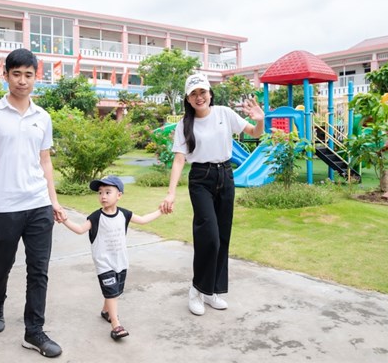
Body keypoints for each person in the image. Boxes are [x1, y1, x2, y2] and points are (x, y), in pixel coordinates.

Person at [0, 48, 66, 358]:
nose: (22, 80)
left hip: (38, 204)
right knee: (2, 265)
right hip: (5, 206)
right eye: (16, 74)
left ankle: (34, 331)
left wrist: (54, 201)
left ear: (36, 77)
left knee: (39, 270)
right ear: (5, 74)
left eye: (28, 75)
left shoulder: (43, 117)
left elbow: (45, 161)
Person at [160, 73, 264, 316]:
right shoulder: (184, 125)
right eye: (194, 94)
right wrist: (171, 193)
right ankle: (196, 290)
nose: (199, 97)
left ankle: (211, 291)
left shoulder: (224, 114)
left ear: (210, 93)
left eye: (202, 92)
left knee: (223, 237)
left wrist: (260, 121)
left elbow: (254, 132)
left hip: (225, 176)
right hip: (201, 179)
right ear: (188, 99)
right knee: (209, 237)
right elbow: (179, 160)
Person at [61, 175, 164, 341]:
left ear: (119, 195)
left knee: (115, 291)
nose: (103, 196)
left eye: (108, 192)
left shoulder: (124, 214)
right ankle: (116, 325)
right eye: (100, 192)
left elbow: (143, 220)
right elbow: (80, 229)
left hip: (120, 261)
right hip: (104, 264)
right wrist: (65, 220)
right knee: (111, 292)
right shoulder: (96, 217)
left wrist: (161, 211)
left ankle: (105, 311)